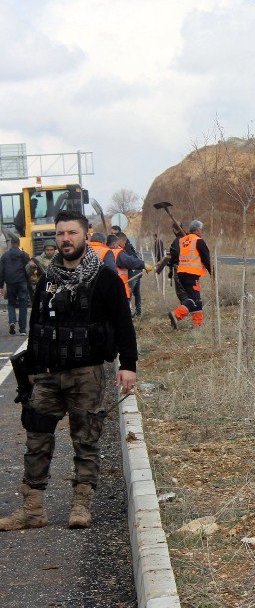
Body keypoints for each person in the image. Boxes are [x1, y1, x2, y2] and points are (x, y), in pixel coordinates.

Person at [0, 210, 137, 532]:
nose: (65, 239)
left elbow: (123, 324)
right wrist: (31, 371)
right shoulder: (47, 278)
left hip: (86, 373)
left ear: (85, 234)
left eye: (71, 233)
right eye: (60, 234)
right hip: (47, 375)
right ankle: (32, 510)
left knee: (85, 440)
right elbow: (36, 325)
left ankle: (81, 506)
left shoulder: (104, 279)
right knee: (36, 439)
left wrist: (128, 366)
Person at [168, 220, 212, 329]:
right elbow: (207, 259)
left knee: (196, 298)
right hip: (191, 274)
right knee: (194, 300)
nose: (202, 232)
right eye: (201, 230)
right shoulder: (199, 241)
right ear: (197, 230)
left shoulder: (182, 240)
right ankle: (176, 314)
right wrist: (213, 273)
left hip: (182, 274)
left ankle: (198, 324)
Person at [0, 236, 32, 335]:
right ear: (19, 243)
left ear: (11, 244)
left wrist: (1, 285)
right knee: (23, 305)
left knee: (11, 303)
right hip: (22, 282)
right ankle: (22, 330)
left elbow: (1, 272)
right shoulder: (24, 255)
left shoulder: (4, 256)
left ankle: (12, 321)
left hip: (10, 283)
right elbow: (29, 270)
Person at [112, 225, 143, 317]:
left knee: (130, 292)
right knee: (136, 292)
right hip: (137, 270)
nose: (112, 235)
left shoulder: (125, 247)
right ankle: (137, 312)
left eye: (114, 233)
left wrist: (142, 265)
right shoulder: (125, 245)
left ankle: (132, 313)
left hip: (134, 271)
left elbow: (130, 261)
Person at [107, 234, 149, 303]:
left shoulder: (104, 251)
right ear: (115, 243)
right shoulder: (117, 252)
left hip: (108, 288)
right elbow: (130, 261)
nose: (123, 245)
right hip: (119, 288)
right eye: (123, 243)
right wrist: (143, 264)